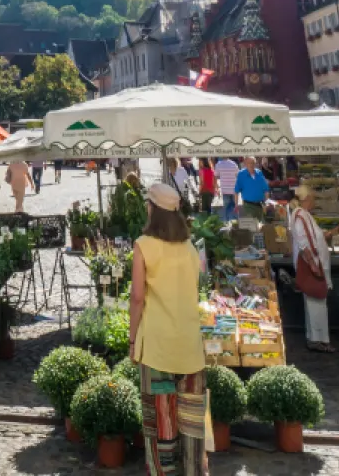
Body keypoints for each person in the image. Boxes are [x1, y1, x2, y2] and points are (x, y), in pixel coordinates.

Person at [127, 181, 210, 476]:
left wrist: (132, 338)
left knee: (161, 426)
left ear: (152, 209)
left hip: (158, 349)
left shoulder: (143, 246)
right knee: (191, 429)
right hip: (189, 346)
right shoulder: (189, 248)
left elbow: (137, 298)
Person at [287, 183, 333, 351]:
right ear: (307, 199)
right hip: (311, 265)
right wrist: (313, 264)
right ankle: (318, 340)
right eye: (313, 197)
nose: (314, 201)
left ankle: (315, 338)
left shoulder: (302, 214)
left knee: (314, 302)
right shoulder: (300, 216)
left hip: (312, 263)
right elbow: (303, 243)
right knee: (316, 302)